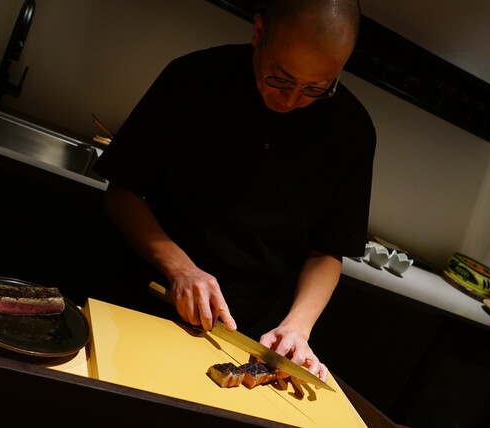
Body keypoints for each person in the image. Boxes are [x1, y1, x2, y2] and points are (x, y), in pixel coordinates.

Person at [93, 0, 375, 384]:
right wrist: (181, 269)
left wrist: (297, 327)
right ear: (259, 33)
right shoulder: (192, 78)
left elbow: (327, 250)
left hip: (251, 335)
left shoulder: (353, 131)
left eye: (316, 88)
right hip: (148, 298)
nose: (291, 101)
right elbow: (122, 192)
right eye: (280, 79)